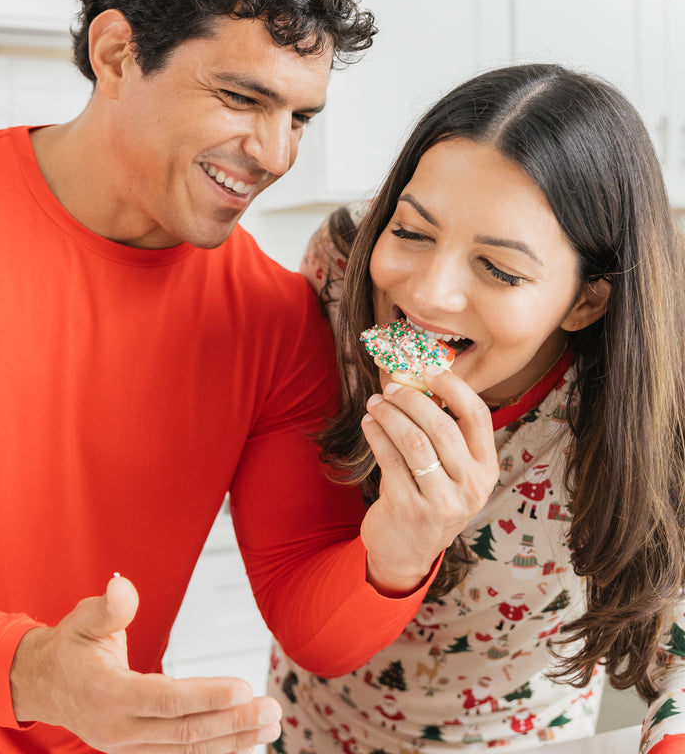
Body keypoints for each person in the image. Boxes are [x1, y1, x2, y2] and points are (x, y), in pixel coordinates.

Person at [0, 0, 445, 752]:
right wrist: (34, 671)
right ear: (117, 54)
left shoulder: (274, 317)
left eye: (300, 117)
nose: (276, 153)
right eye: (241, 97)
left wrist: (403, 545)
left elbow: (314, 626)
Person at [268, 64, 685, 752]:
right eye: (411, 232)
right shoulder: (338, 280)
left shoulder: (636, 403)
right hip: (308, 727)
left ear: (587, 301)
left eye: (498, 269)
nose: (429, 295)